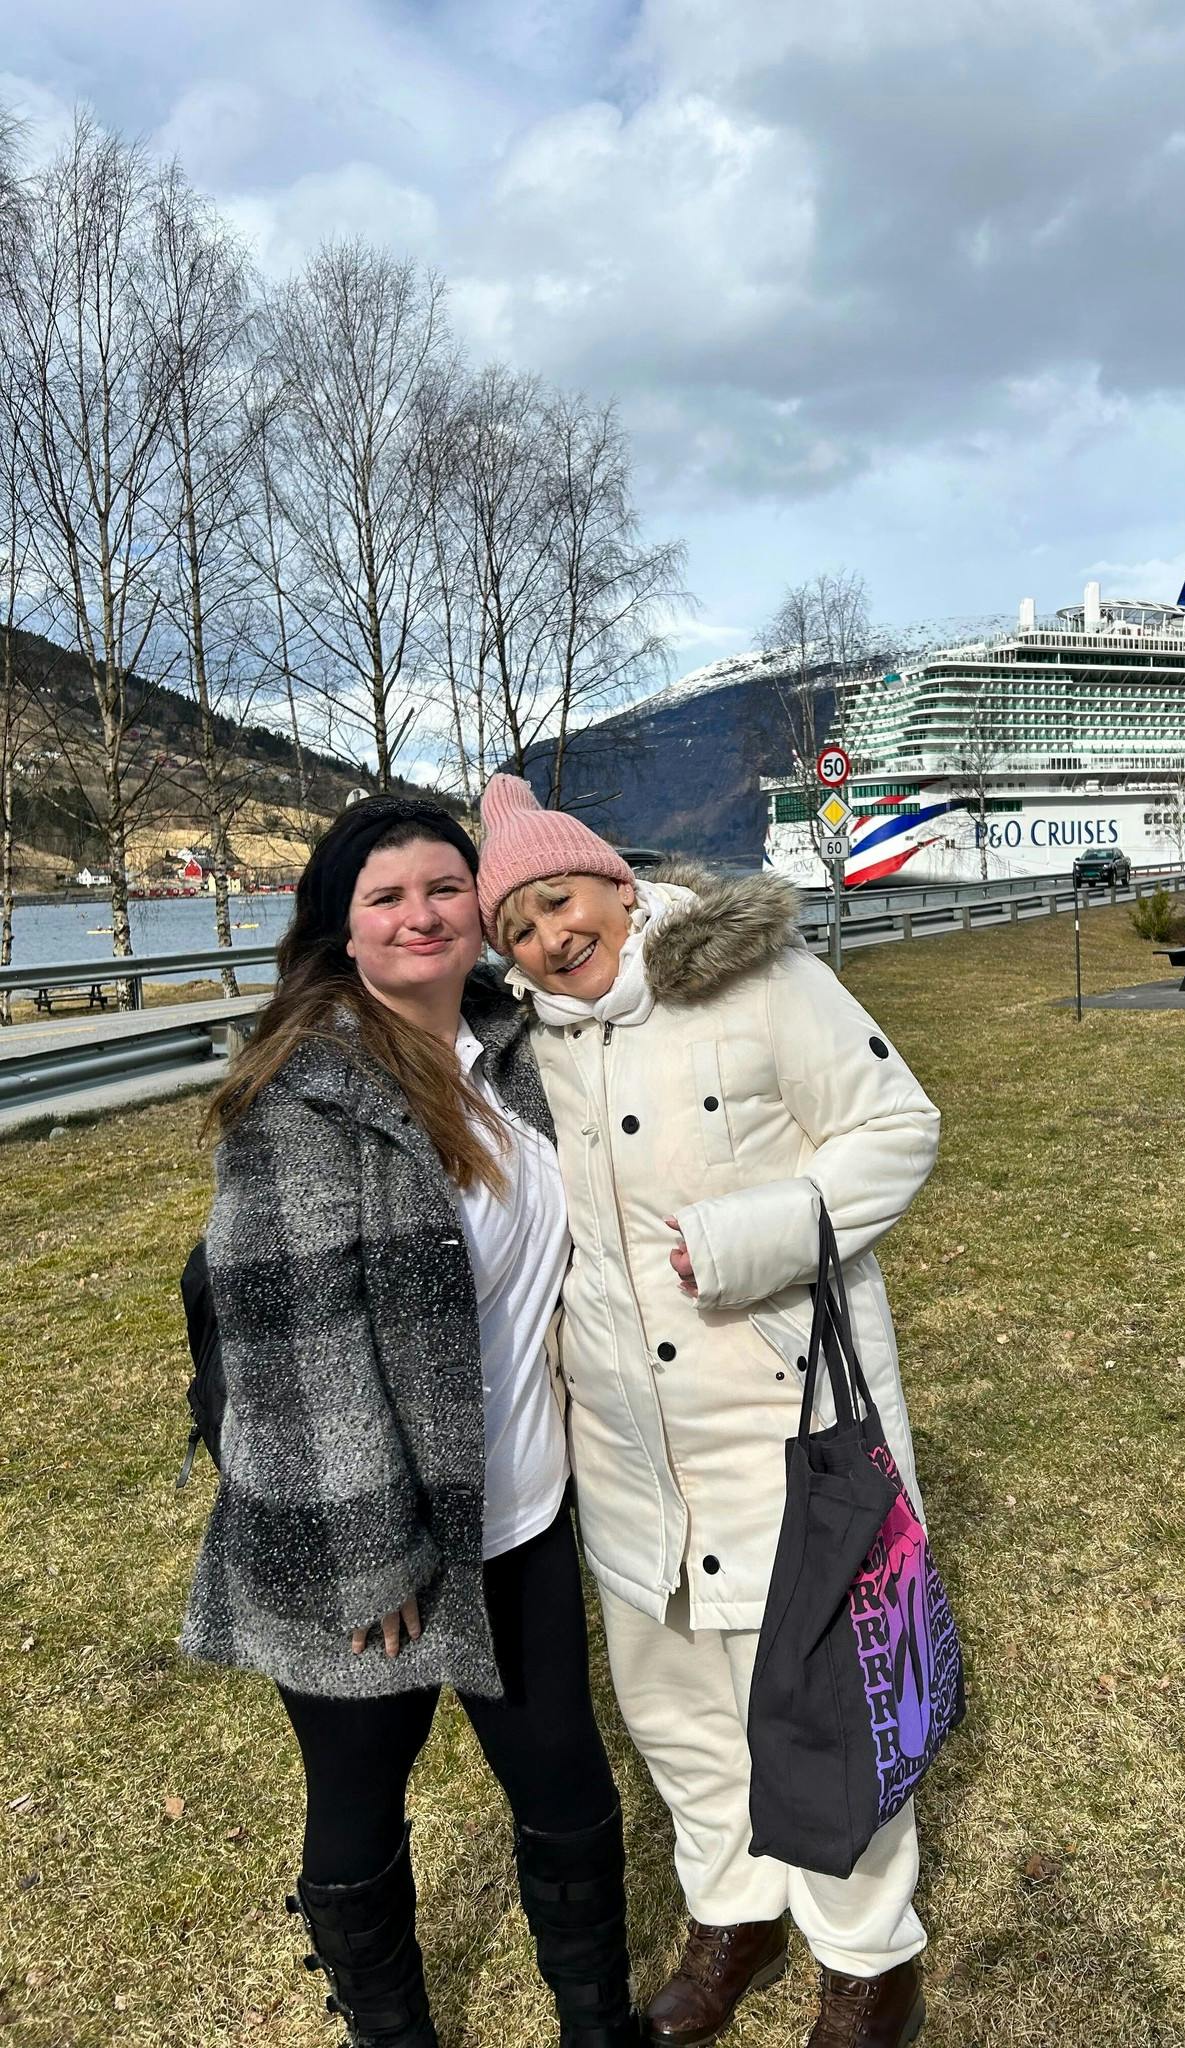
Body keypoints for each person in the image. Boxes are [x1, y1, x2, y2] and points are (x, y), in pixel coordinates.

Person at [477, 774, 942, 2048]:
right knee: (678, 1706)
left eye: (559, 898)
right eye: (512, 926)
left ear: (620, 884)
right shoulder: (522, 1053)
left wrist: (758, 1235)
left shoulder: (761, 981)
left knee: (822, 1696)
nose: (547, 937)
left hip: (783, 1413)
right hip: (627, 1445)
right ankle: (733, 1916)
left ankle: (866, 1956)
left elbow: (897, 1123)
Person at [181, 795, 643, 2048]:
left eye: (445, 887)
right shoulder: (304, 1093)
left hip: (521, 1504)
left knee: (565, 1783)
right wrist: (377, 1546)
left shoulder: (512, 1041)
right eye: (386, 896)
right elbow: (290, 1343)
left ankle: (598, 2026)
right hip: (361, 1530)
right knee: (356, 1800)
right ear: (341, 924)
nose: (421, 914)